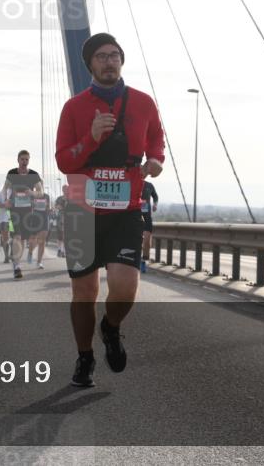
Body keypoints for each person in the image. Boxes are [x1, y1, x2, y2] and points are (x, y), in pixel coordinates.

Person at [56, 32, 165, 387]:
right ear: (90, 64)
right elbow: (64, 161)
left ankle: (111, 326)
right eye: (101, 56)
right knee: (84, 293)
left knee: (125, 288)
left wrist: (156, 160)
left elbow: (156, 139)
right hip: (81, 211)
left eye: (114, 55)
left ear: (121, 60)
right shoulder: (74, 108)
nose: (109, 61)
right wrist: (91, 137)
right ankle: (85, 356)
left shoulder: (143, 103)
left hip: (125, 211)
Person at [2, 150, 43, 280]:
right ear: (18, 160)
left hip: (28, 211)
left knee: (23, 239)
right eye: (22, 159)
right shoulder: (12, 173)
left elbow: (40, 192)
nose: (24, 162)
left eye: (27, 159)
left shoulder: (34, 175)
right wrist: (6, 200)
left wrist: (32, 193)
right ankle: (17, 266)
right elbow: (4, 189)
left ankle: (16, 261)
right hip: (14, 210)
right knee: (17, 236)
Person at [140, 180, 159, 273]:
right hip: (134, 215)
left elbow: (155, 196)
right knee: (137, 241)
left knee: (147, 241)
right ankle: (136, 260)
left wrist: (155, 204)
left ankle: (143, 261)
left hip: (147, 216)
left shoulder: (149, 185)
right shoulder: (131, 181)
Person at [29, 191, 51, 269]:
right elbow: (29, 207)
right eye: (37, 186)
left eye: (41, 186)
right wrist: (33, 203)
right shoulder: (32, 196)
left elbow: (48, 208)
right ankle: (30, 252)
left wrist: (48, 208)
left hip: (44, 218)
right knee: (35, 240)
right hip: (35, 218)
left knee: (42, 241)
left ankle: (39, 262)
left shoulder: (46, 196)